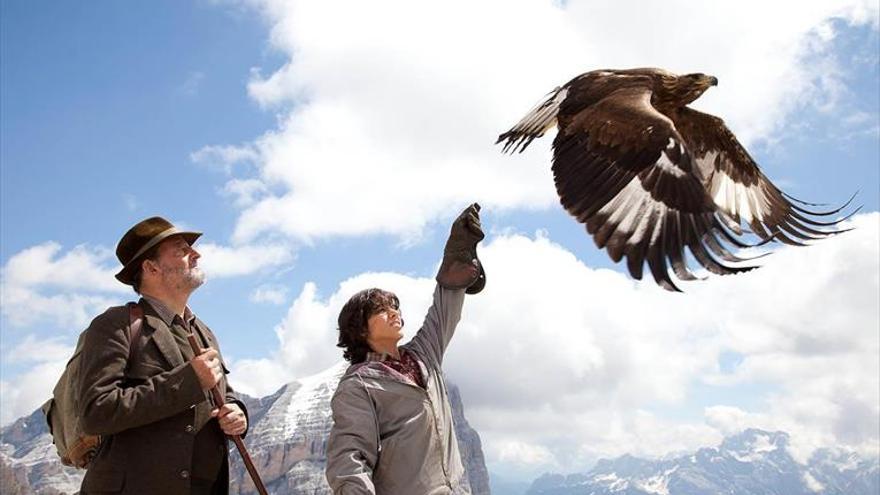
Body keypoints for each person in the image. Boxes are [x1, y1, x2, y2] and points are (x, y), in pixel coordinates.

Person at [76, 216, 248, 495]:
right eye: (181, 250)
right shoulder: (115, 325)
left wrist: (238, 413)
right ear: (151, 267)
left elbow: (223, 395)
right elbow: (97, 412)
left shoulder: (204, 331)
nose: (196, 254)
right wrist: (189, 380)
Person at [326, 203, 486, 494]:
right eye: (381, 310)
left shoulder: (423, 354)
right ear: (360, 329)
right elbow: (350, 457)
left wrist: (456, 255)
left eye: (395, 307)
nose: (393, 313)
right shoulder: (358, 386)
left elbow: (444, 308)